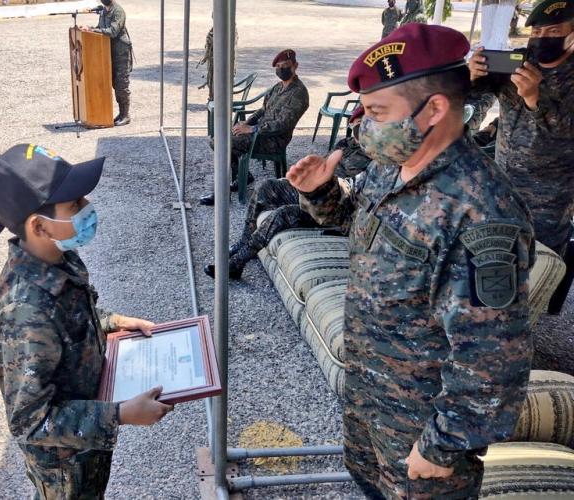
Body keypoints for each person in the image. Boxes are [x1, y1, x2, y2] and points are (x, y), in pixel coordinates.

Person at [288, 25, 534, 499]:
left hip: (421, 428)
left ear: (434, 109)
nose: (364, 126)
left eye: (377, 113)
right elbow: (368, 239)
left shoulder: (481, 212)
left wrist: (441, 446)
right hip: (370, 400)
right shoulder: (391, 166)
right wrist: (321, 193)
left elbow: (492, 357)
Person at [0, 144, 172, 499]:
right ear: (38, 225)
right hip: (65, 464)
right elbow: (30, 421)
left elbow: (72, 318)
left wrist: (111, 322)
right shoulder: (25, 313)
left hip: (86, 443)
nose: (88, 209)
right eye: (74, 205)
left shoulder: (57, 256)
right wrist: (120, 415)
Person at [204, 106, 371, 279]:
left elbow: (354, 195)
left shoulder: (376, 160)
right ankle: (244, 241)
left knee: (283, 214)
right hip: (317, 193)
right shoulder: (345, 144)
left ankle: (237, 263)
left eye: (370, 124)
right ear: (352, 124)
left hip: (334, 210)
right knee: (267, 187)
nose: (365, 130)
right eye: (360, 124)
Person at [468, 0, 574, 256]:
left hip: (549, 200)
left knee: (543, 267)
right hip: (502, 189)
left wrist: (534, 98)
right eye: (536, 32)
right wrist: (472, 73)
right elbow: (470, 95)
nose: (541, 38)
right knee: (496, 262)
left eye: (553, 32)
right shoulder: (515, 62)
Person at [199, 49, 309, 206]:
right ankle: (242, 177)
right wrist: (246, 124)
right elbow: (262, 111)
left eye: (285, 65)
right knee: (221, 138)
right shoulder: (277, 88)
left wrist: (253, 129)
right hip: (260, 134)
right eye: (278, 66)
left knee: (221, 143)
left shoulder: (298, 93)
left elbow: (283, 124)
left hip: (272, 140)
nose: (281, 69)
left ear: (295, 66)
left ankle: (222, 193)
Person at [85, 0, 133, 126]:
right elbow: (101, 28)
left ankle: (125, 115)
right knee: (114, 84)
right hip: (107, 51)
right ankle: (120, 114)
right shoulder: (103, 11)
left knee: (121, 84)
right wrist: (90, 29)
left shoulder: (118, 11)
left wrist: (96, 31)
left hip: (121, 52)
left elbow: (113, 31)